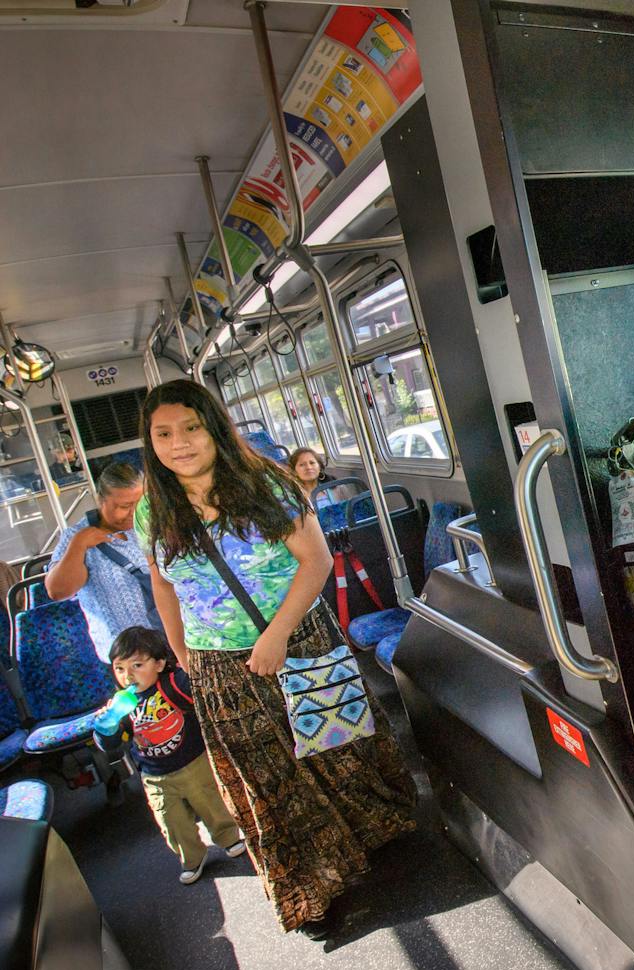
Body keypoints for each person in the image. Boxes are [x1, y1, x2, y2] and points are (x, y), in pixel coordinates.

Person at [136, 379, 416, 938]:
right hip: (217, 662)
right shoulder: (153, 511)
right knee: (266, 776)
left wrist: (277, 635)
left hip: (298, 636)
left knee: (334, 746)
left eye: (190, 428)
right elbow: (163, 585)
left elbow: (315, 563)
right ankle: (310, 884)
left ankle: (375, 832)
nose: (180, 443)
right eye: (164, 434)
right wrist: (182, 651)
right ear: (151, 442)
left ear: (213, 426)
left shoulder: (267, 484)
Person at [95, 626, 246, 884]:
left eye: (137, 665)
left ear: (159, 663)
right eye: (119, 668)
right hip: (154, 774)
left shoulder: (174, 683)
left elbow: (198, 686)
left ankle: (228, 836)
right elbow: (111, 746)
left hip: (193, 761)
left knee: (211, 803)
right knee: (171, 821)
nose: (127, 675)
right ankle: (192, 857)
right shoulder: (120, 705)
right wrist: (106, 727)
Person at [46, 461, 163, 661]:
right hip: (127, 660)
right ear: (100, 500)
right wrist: (79, 544)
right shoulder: (77, 536)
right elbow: (58, 591)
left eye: (141, 503)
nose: (134, 513)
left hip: (170, 645)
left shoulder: (153, 525)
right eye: (124, 506)